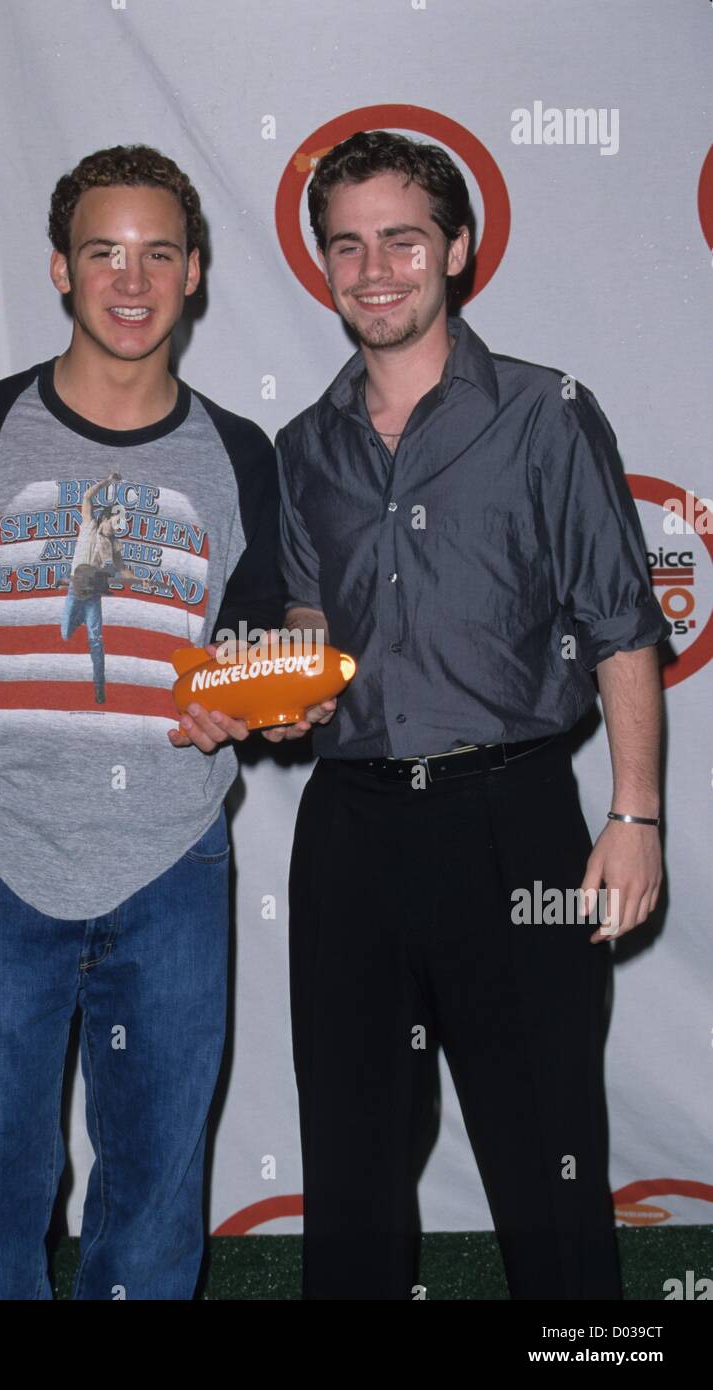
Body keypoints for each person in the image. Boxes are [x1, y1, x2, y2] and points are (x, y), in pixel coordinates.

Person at [0, 143, 284, 1300]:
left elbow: (256, 638)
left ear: (195, 272)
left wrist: (244, 699)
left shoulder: (241, 453)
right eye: (104, 251)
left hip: (174, 865)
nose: (131, 279)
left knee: (153, 1189)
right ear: (59, 268)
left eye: (158, 253)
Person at [264, 130, 671, 1300]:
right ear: (324, 264)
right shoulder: (303, 450)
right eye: (347, 244)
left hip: (515, 823)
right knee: (349, 1171)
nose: (373, 267)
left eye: (401, 237)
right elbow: (308, 631)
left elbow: (621, 621)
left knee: (549, 1162)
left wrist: (634, 813)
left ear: (457, 246)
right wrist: (275, 697)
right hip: (349, 830)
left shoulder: (546, 414)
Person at [58, 471, 136, 703]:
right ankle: (79, 617)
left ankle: (99, 686)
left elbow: (122, 569)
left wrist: (140, 580)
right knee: (65, 634)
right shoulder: (89, 524)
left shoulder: (114, 543)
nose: (117, 527)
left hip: (93, 593)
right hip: (75, 588)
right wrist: (109, 481)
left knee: (96, 640)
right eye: (115, 522)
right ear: (105, 518)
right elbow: (87, 496)